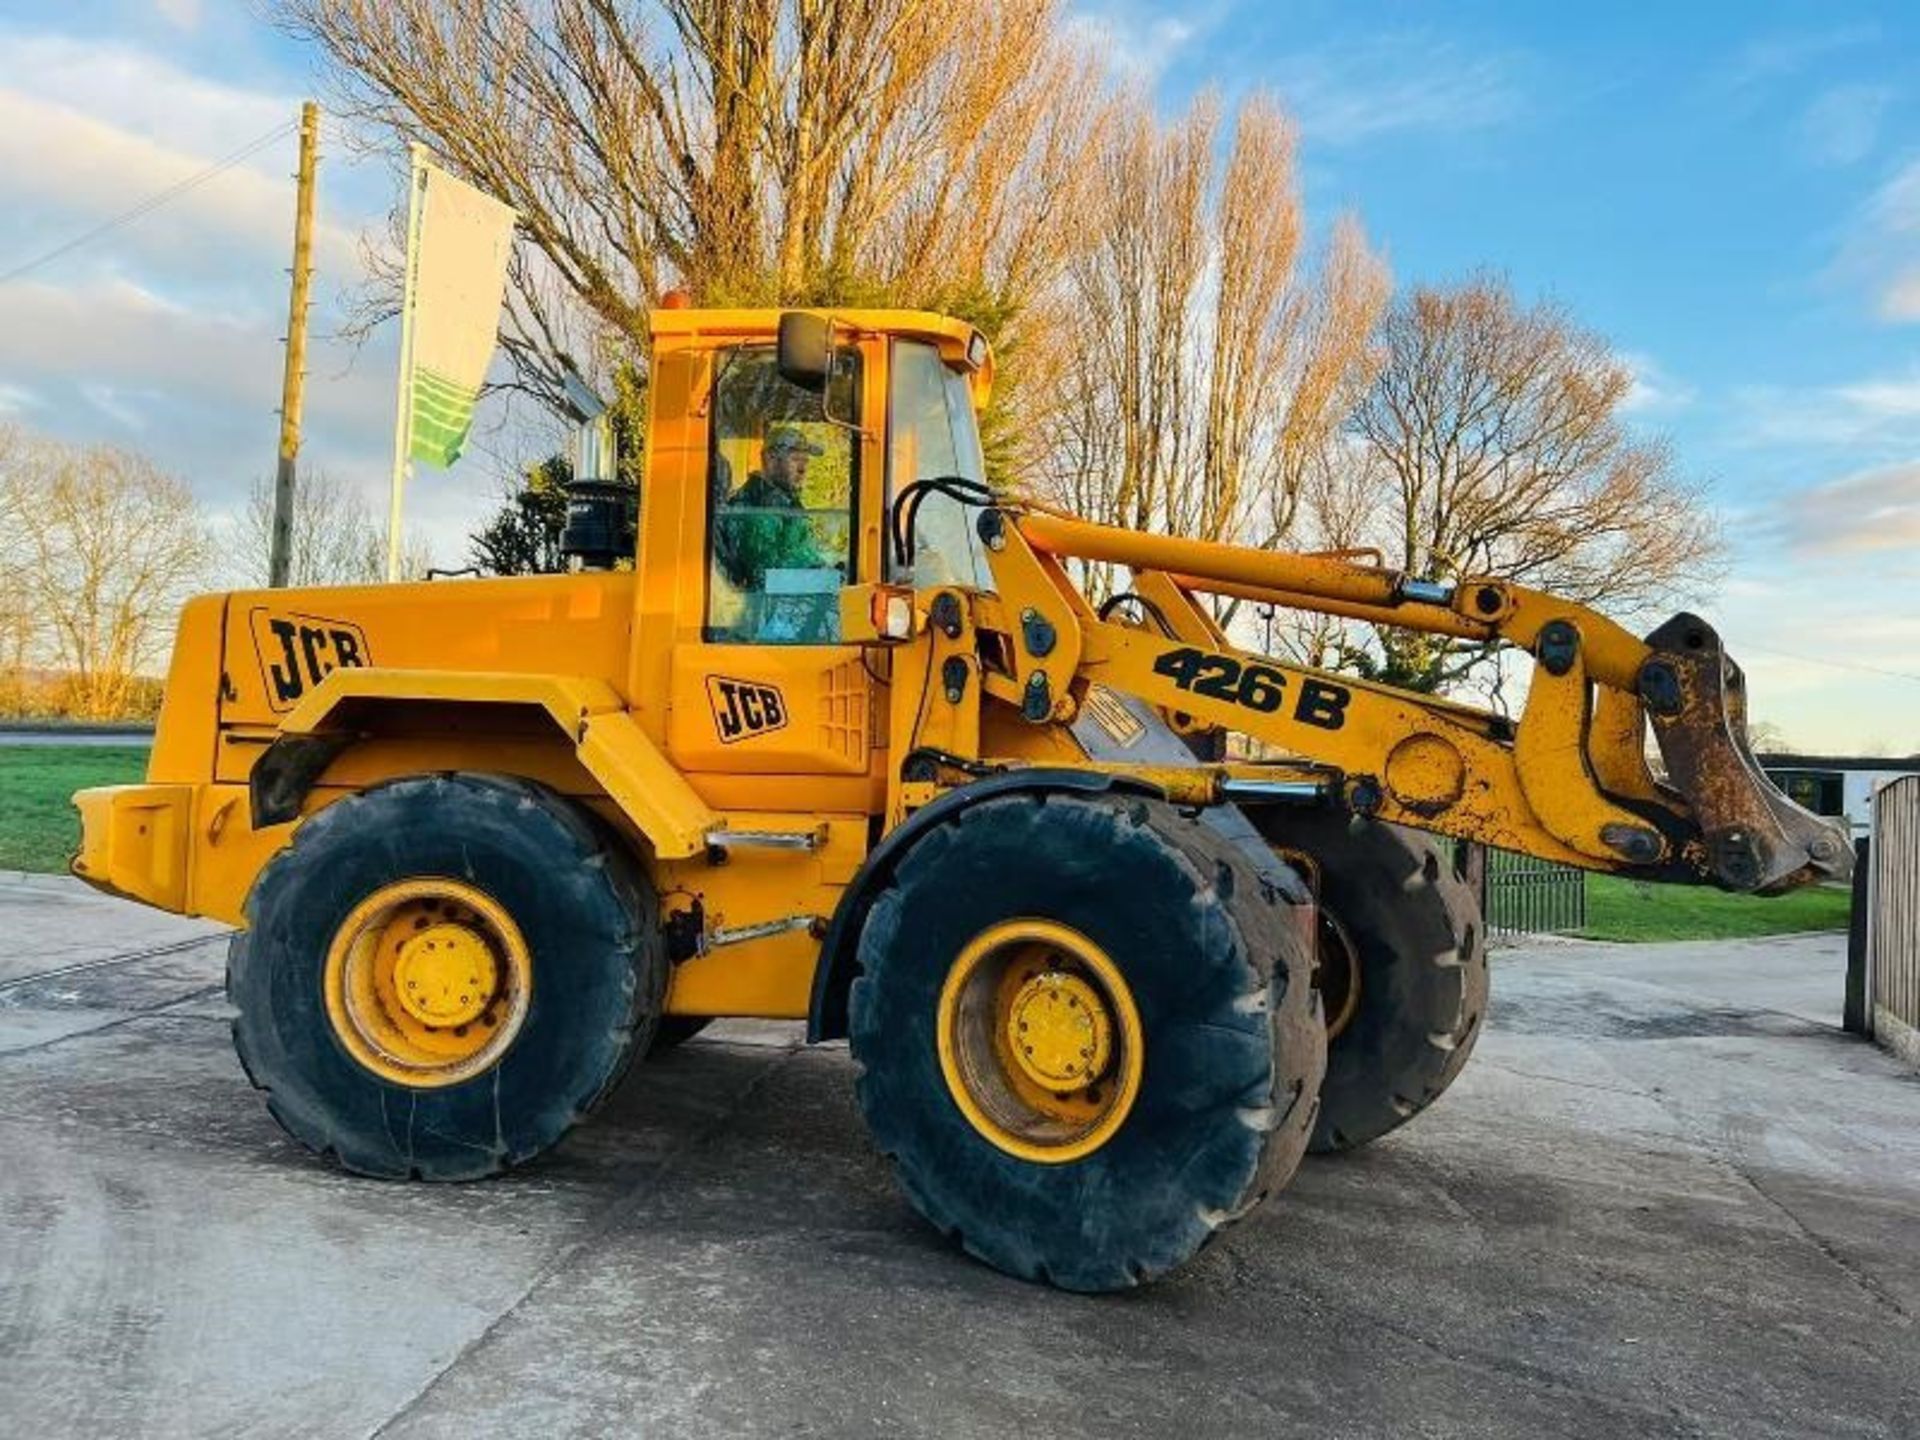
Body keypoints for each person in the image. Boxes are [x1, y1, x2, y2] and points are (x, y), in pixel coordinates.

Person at [715, 425, 827, 592]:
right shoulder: (753, 508)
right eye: (795, 459)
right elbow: (767, 577)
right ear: (770, 459)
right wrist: (824, 578)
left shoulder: (788, 503)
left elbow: (803, 553)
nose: (803, 469)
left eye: (805, 461)